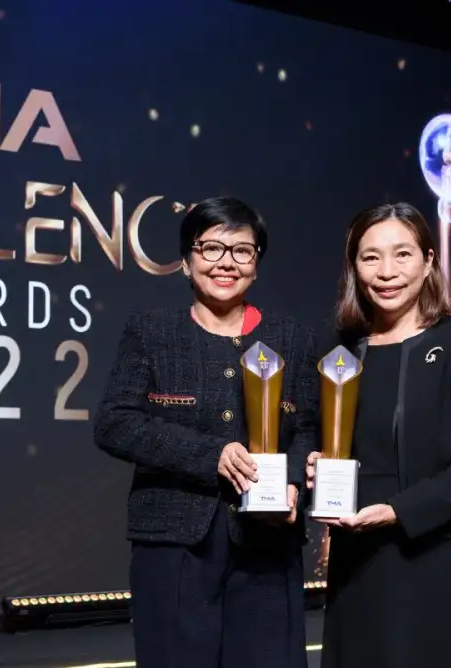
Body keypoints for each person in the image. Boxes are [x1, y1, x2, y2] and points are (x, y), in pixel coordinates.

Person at [94, 196, 319, 668]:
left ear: (256, 263)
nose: (226, 263)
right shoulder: (152, 331)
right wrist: (210, 455)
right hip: (174, 545)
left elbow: (307, 427)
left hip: (268, 545)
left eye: (242, 251)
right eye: (211, 248)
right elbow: (115, 422)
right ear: (186, 261)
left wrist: (294, 481)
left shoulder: (293, 338)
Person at [306, 202, 451, 668]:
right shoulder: (336, 350)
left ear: (428, 261)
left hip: (439, 555)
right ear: (354, 266)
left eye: (402, 254)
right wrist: (314, 465)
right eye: (371, 257)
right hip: (358, 559)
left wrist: (399, 511)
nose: (387, 272)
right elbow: (320, 442)